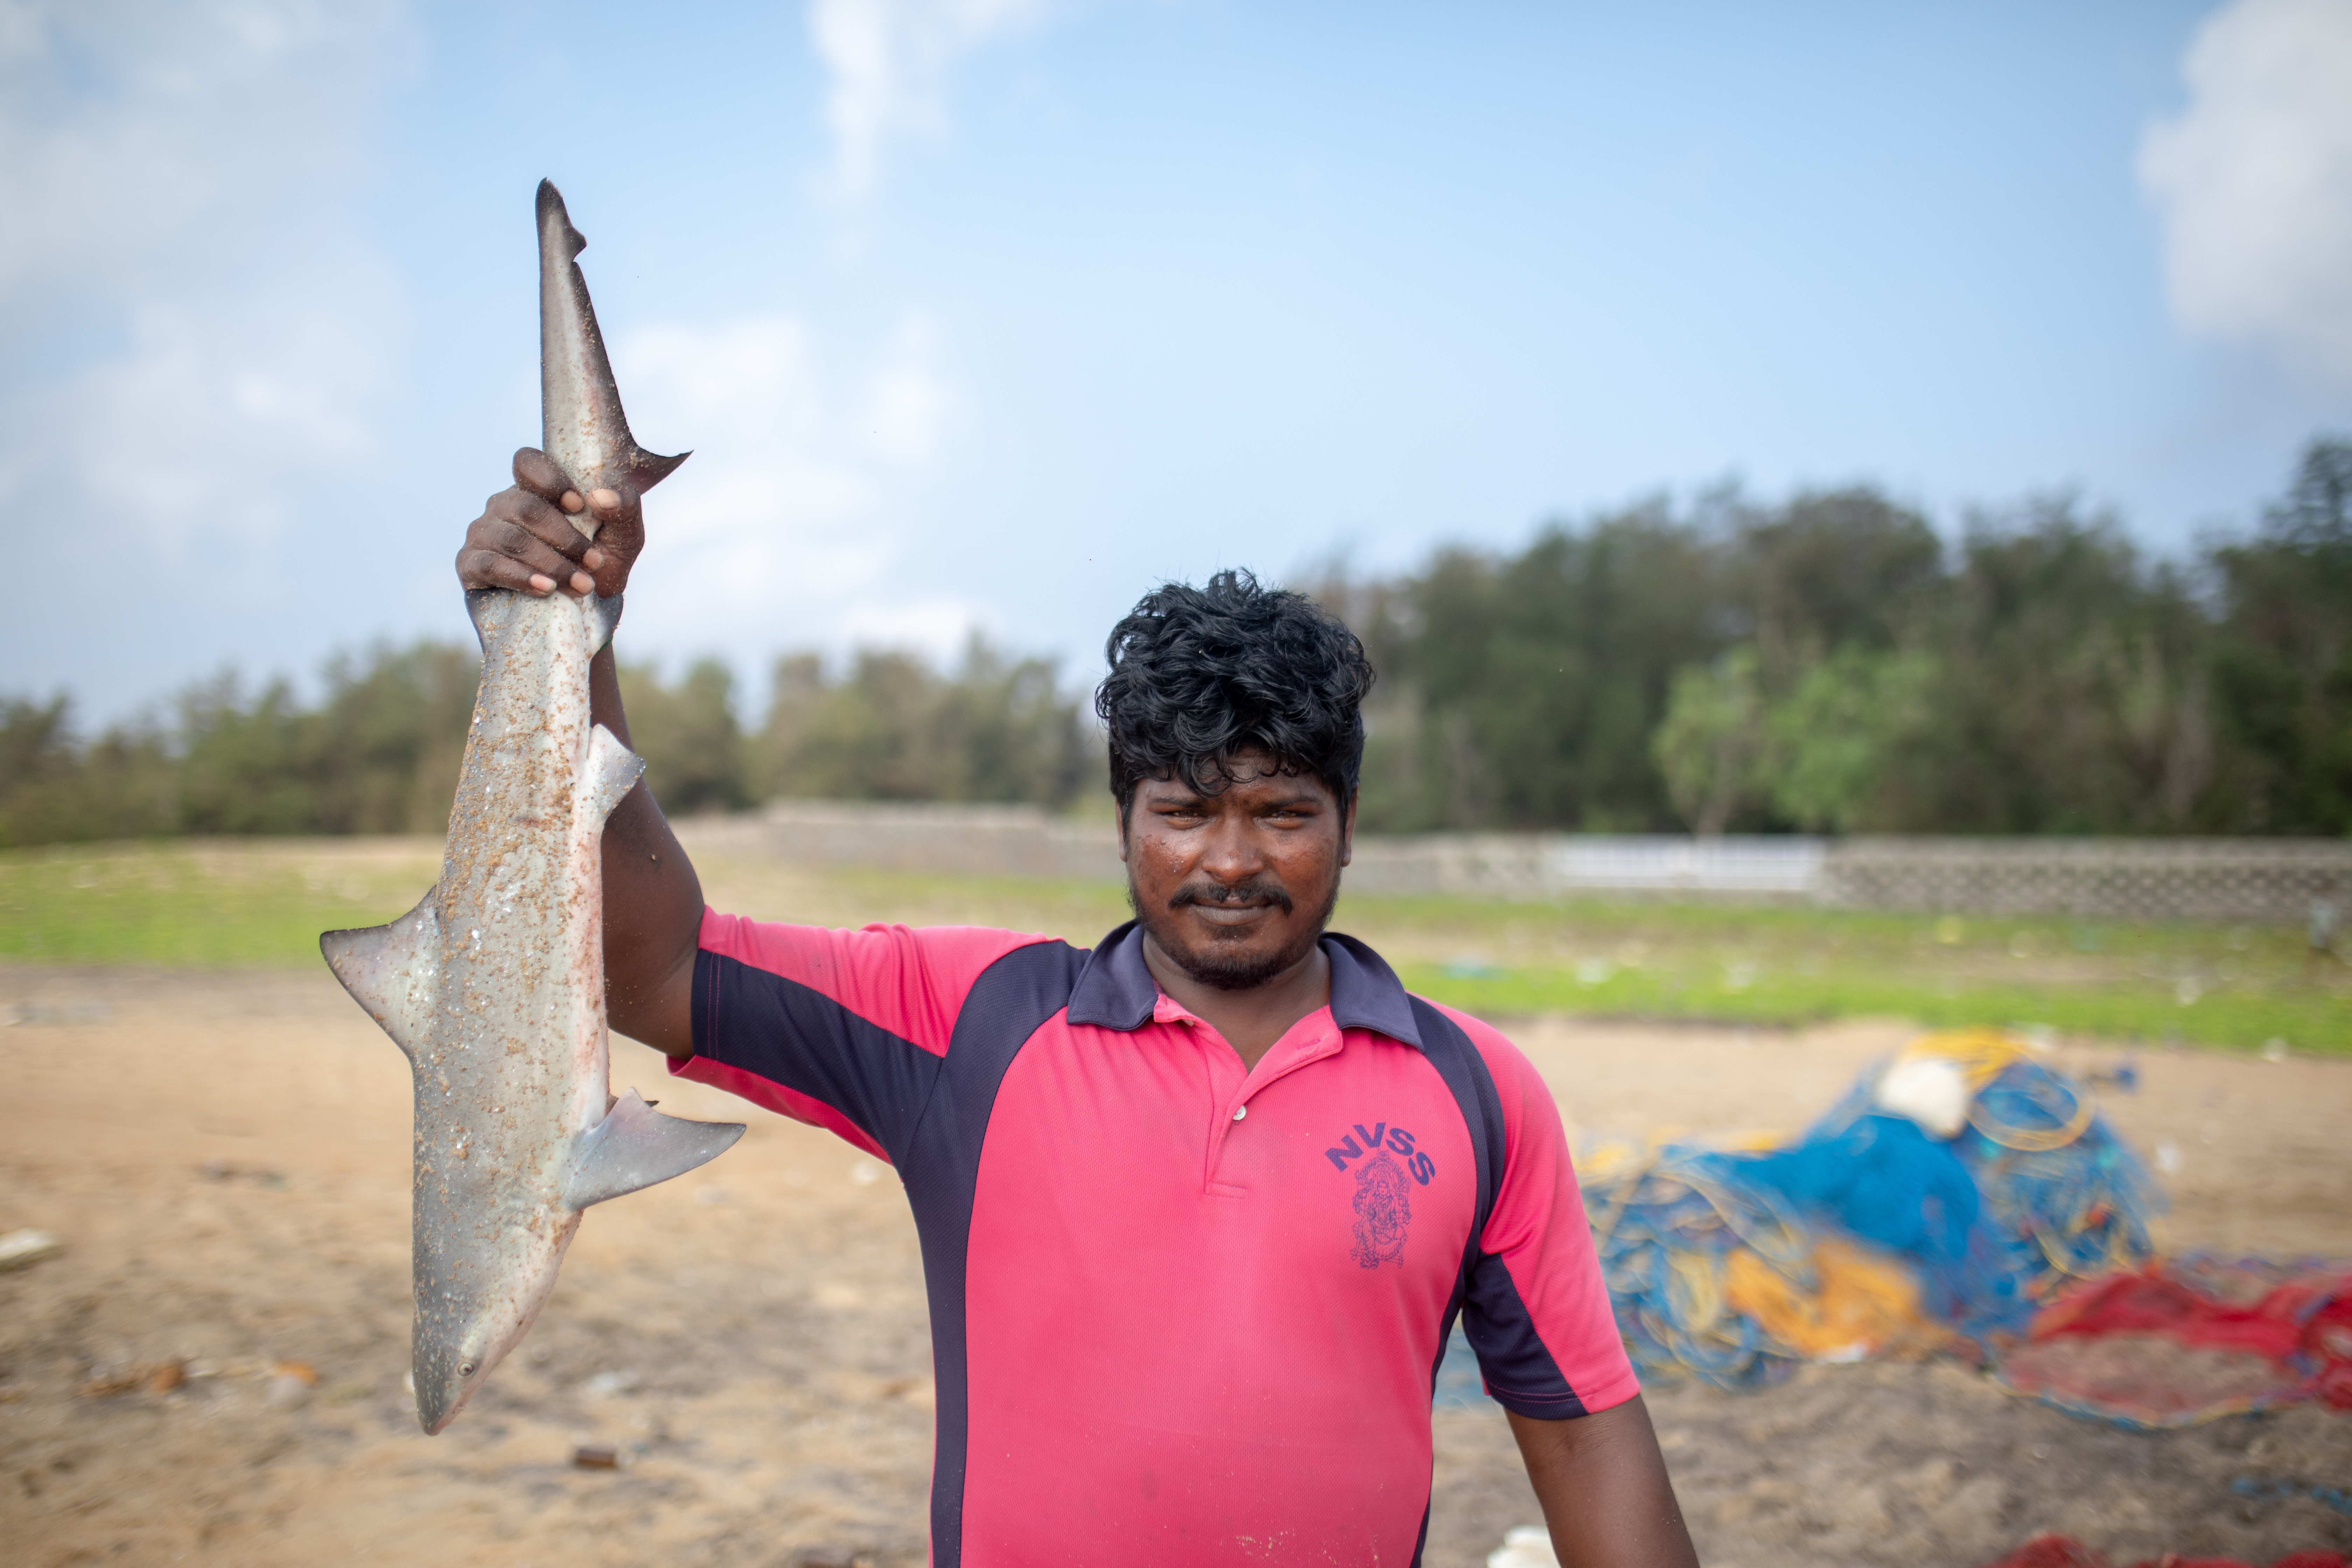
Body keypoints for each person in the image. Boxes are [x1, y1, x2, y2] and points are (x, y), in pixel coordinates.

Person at [458, 449, 1700, 1568]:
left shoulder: (1474, 1092)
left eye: (1282, 813)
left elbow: (1583, 1434)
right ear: (1122, 823)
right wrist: (571, 634)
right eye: (1183, 812)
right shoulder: (972, 1024)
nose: (1231, 861)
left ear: (1349, 823)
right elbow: (655, 966)